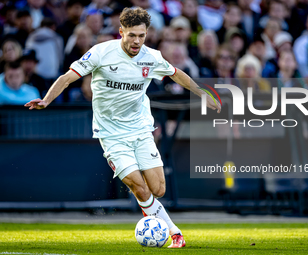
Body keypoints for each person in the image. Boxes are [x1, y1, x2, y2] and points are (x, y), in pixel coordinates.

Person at [25, 7, 221, 248]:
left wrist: (202, 93)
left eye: (141, 35)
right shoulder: (100, 53)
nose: (136, 41)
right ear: (121, 33)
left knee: (157, 189)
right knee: (138, 186)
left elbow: (177, 74)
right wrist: (47, 99)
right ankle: (174, 233)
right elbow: (67, 77)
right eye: (131, 35)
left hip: (140, 129)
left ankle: (155, 215)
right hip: (111, 134)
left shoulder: (152, 57)